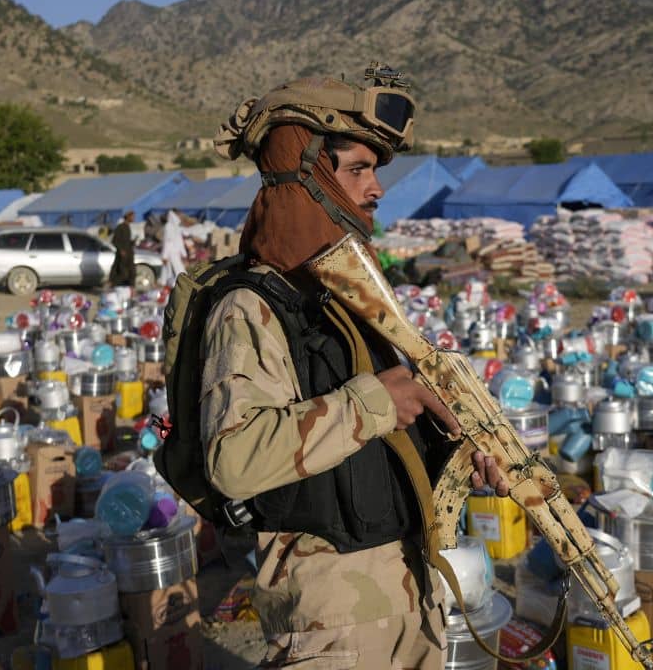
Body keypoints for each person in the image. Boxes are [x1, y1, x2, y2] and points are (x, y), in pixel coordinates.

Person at [198, 67, 508, 669]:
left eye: (376, 170)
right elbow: (232, 463)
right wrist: (376, 402)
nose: (376, 188)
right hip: (331, 617)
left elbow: (376, 431)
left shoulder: (350, 298)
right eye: (357, 169)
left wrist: (453, 453)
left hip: (408, 593)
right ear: (308, 171)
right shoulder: (252, 306)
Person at [158, 210, 189, 287]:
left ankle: (176, 286)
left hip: (175, 253)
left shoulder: (176, 227)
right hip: (171, 254)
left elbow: (180, 242)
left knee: (174, 272)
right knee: (174, 272)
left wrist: (184, 254)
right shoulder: (169, 226)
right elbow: (167, 242)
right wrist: (165, 256)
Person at [109, 210, 136, 287]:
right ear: (127, 217)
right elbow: (114, 241)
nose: (133, 218)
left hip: (129, 254)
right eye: (132, 216)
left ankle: (131, 289)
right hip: (123, 255)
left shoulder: (128, 227)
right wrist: (121, 250)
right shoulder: (120, 227)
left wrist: (132, 242)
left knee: (132, 273)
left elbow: (126, 241)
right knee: (123, 274)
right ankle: (112, 284)